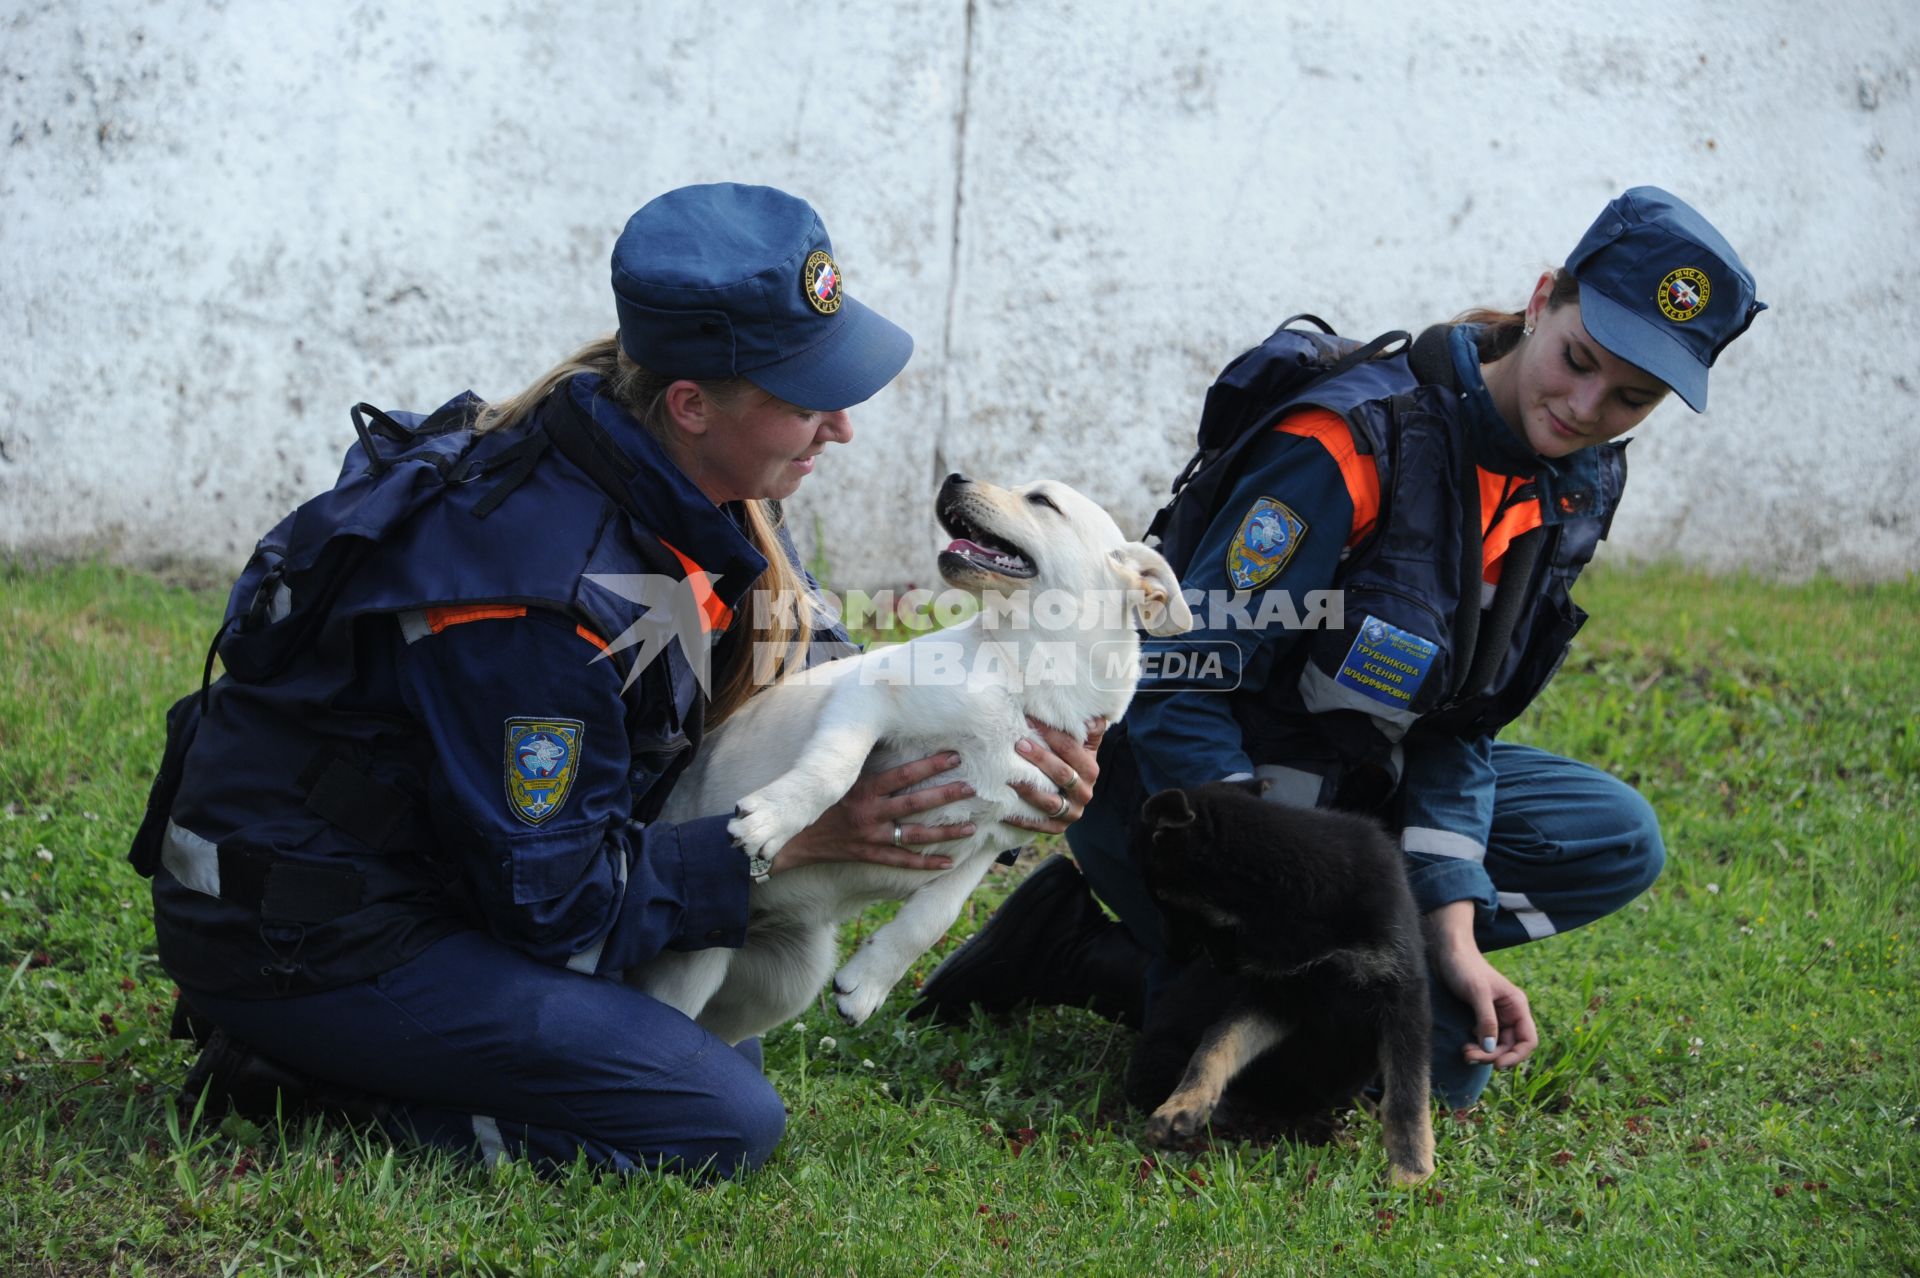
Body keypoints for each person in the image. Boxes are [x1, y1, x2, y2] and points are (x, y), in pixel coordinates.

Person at [136, 183, 1101, 1177]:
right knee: (714, 1118)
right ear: (691, 404)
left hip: (454, 878)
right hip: (319, 934)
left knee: (721, 1018)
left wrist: (1009, 775)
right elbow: (554, 903)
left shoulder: (701, 494)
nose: (842, 427)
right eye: (808, 399)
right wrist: (804, 837)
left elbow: (823, 686)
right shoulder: (532, 595)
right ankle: (296, 1080)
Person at [913, 186, 1765, 1110]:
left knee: (1606, 844)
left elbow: (1461, 722)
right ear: (1543, 297)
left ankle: (1284, 962)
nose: (1587, 406)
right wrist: (1272, 880)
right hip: (1181, 790)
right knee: (1274, 1091)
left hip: (1353, 787)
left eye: (1631, 398)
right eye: (1579, 359)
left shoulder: (1573, 482)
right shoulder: (1352, 445)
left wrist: (1451, 930)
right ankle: (1080, 948)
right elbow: (1176, 684)